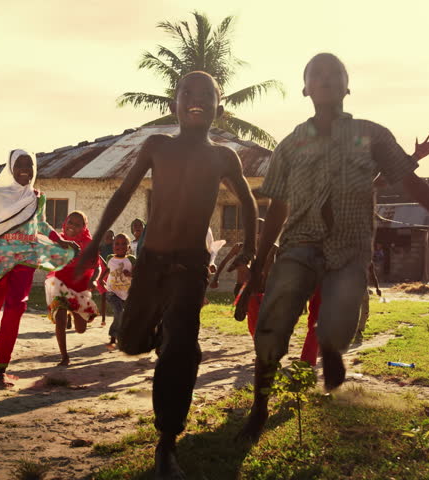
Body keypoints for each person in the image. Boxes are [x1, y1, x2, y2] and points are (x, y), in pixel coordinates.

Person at [236, 53, 429, 442]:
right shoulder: (291, 144)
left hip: (348, 248)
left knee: (339, 318)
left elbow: (409, 181)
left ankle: (332, 350)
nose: (325, 79)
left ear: (347, 85)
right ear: (305, 88)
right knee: (271, 329)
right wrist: (258, 265)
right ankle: (258, 410)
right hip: (299, 244)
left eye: (334, 73)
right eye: (316, 74)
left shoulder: (371, 134)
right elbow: (276, 206)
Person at [77, 71, 257, 479]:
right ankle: (175, 342)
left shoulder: (223, 157)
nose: (195, 100)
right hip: (152, 262)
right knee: (130, 342)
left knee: (176, 349)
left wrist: (252, 251)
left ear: (219, 106)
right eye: (186, 93)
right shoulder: (156, 146)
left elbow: (247, 201)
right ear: (173, 104)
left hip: (190, 265)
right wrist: (93, 244)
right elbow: (124, 193)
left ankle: (166, 441)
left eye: (205, 95)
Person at [0, 150, 77, 386]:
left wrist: (59, 239)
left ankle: (1, 370)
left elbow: (41, 224)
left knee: (15, 310)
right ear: (11, 168)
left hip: (26, 260)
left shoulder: (38, 197)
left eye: (30, 165)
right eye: (21, 164)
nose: (26, 169)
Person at [45, 211, 101, 367]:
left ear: (84, 227)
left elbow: (97, 267)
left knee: (81, 329)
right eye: (70, 222)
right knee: (60, 319)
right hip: (60, 283)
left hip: (80, 286)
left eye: (78, 224)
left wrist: (94, 280)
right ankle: (64, 356)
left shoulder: (90, 244)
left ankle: (74, 312)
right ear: (65, 222)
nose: (72, 227)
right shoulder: (59, 241)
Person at [103, 233, 135, 349]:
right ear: (113, 246)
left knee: (126, 316)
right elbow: (107, 270)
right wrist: (100, 279)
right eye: (117, 243)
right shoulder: (109, 258)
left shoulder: (131, 259)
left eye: (123, 244)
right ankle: (113, 337)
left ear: (128, 247)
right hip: (112, 292)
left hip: (126, 293)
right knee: (119, 311)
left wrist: (131, 274)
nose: (120, 246)